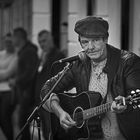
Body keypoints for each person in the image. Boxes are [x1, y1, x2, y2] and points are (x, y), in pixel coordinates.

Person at [40, 16, 140, 140]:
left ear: (106, 39)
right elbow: (47, 89)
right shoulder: (79, 64)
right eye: (85, 42)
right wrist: (59, 112)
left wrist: (126, 105)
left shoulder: (128, 62)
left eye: (96, 40)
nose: (90, 47)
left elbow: (135, 94)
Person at [34, 30, 65, 140]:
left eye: (44, 41)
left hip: (51, 99)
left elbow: (59, 81)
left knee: (51, 131)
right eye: (40, 42)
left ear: (51, 39)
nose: (42, 44)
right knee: (45, 130)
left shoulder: (58, 56)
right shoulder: (42, 56)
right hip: (41, 100)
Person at [12, 27, 39, 140]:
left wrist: (16, 81)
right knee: (21, 122)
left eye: (13, 37)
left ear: (19, 37)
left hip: (27, 93)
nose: (12, 40)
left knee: (23, 123)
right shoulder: (25, 50)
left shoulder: (29, 51)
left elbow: (30, 73)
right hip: (23, 93)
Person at [0, 33, 18, 140]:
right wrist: (5, 74)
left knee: (4, 117)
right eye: (6, 41)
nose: (8, 44)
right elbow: (6, 73)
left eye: (10, 42)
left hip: (9, 92)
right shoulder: (1, 54)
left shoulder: (17, 56)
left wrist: (5, 74)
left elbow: (8, 73)